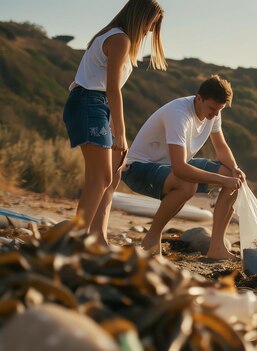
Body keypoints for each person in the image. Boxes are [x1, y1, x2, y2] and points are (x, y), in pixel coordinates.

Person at [62, 0, 166, 246]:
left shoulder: (112, 36)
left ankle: (98, 238)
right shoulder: (120, 39)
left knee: (112, 174)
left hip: (94, 105)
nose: (149, 32)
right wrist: (120, 132)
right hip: (91, 103)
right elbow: (112, 89)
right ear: (139, 18)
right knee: (99, 179)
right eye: (149, 25)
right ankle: (75, 241)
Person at [121, 75, 244, 258]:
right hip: (138, 168)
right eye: (212, 108)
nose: (215, 115)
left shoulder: (213, 112)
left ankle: (216, 247)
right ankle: (152, 239)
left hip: (170, 165)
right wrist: (223, 180)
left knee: (233, 175)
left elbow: (220, 147)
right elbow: (179, 168)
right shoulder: (179, 114)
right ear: (199, 98)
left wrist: (233, 170)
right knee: (187, 185)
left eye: (220, 110)